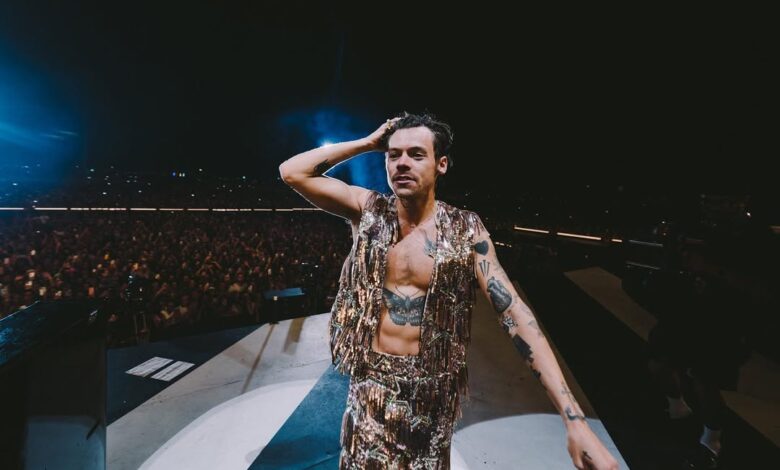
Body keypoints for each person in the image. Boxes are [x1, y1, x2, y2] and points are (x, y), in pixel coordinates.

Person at [279, 113, 618, 469]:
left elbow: (514, 312)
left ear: (441, 164)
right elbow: (293, 173)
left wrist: (574, 420)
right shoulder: (367, 209)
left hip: (433, 395)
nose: (402, 163)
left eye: (416, 154)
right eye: (393, 155)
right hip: (371, 389)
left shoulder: (466, 229)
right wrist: (367, 142)